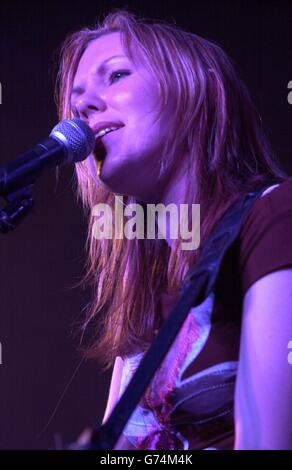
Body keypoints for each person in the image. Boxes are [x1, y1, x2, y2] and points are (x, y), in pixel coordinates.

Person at [56, 9, 292, 450]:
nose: (83, 107)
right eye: (77, 99)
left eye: (117, 75)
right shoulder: (143, 287)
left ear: (193, 88)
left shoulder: (276, 217)